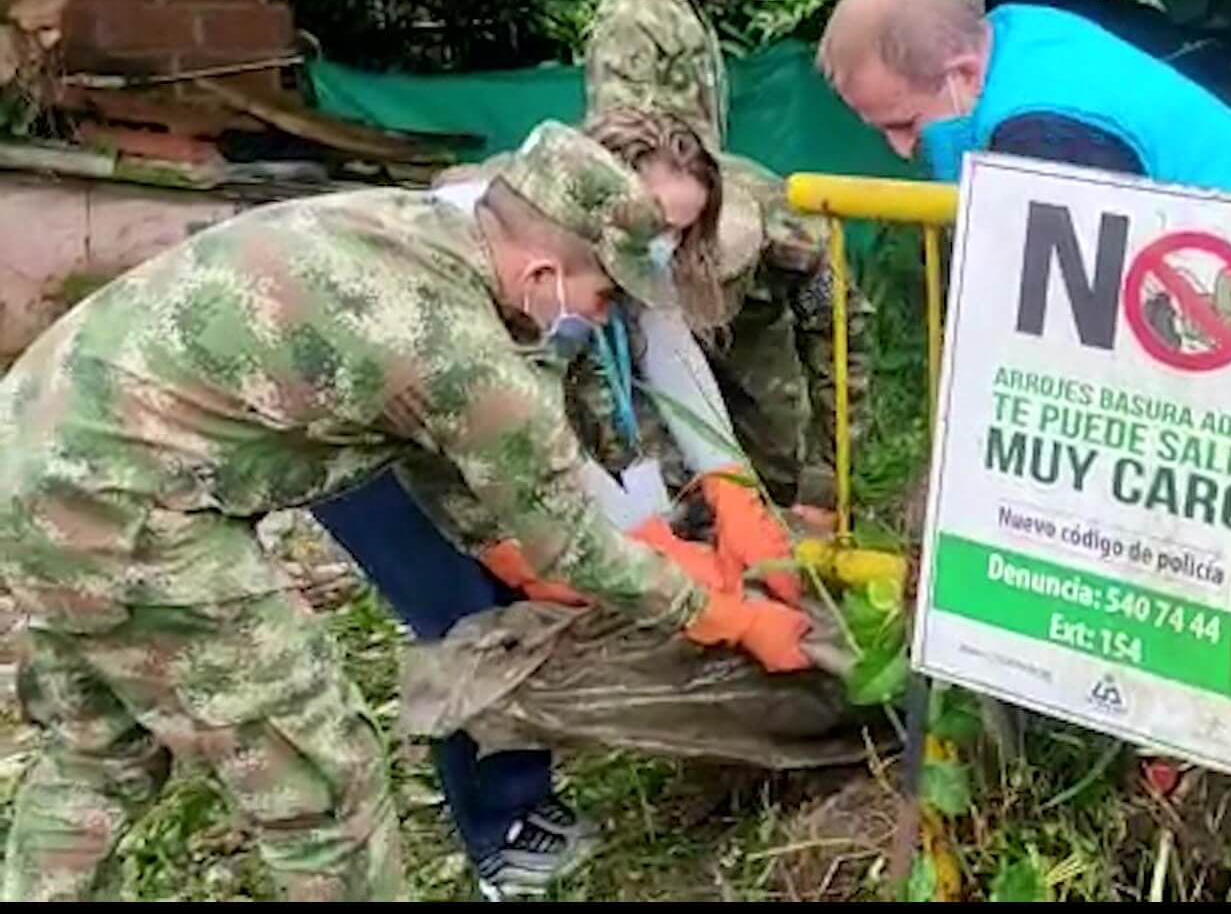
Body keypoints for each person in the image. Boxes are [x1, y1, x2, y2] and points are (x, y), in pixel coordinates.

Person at [0, 120, 815, 902]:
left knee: (99, 752)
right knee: (325, 779)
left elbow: (436, 459)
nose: (604, 316)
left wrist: (541, 542)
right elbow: (571, 544)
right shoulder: (461, 351)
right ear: (544, 275)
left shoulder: (419, 234)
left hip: (31, 452)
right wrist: (727, 616)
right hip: (122, 506)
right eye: (604, 294)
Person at [308, 110, 803, 901]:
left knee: (541, 582)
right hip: (364, 450)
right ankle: (499, 832)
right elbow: (540, 467)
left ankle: (522, 794)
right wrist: (685, 575)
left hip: (465, 426)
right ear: (587, 205)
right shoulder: (489, 276)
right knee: (472, 615)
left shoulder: (591, 257)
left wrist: (733, 490)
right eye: (651, 232)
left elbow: (664, 359)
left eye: (678, 233)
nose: (663, 251)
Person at [816, 0, 1231, 424]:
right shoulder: (1017, 35)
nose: (901, 150)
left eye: (905, 124)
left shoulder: (1041, 131)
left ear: (963, 73)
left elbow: (1076, 338)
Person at [585, 0, 873, 509]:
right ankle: (695, 522)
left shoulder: (685, 11)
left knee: (766, 394)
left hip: (718, 222)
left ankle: (770, 508)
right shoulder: (633, 16)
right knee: (673, 396)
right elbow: (621, 144)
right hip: (671, 233)